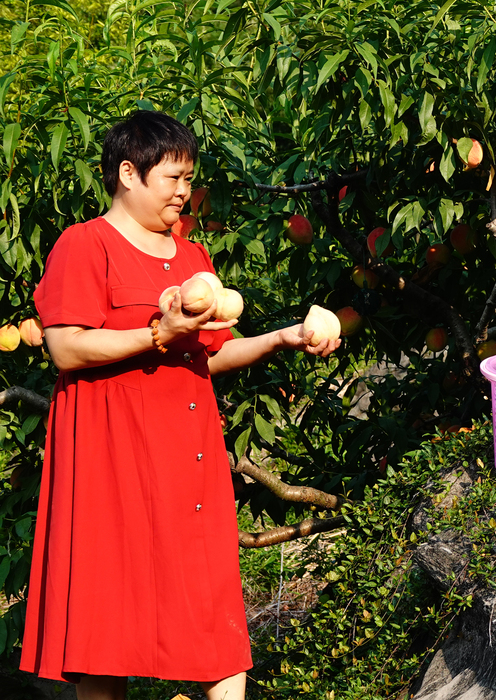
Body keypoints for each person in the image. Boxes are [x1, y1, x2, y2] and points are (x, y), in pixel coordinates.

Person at [19, 111, 340, 700]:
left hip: (188, 457)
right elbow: (66, 347)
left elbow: (209, 356)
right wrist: (157, 333)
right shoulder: (85, 244)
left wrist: (282, 337)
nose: (183, 191)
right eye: (172, 177)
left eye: (189, 178)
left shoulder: (193, 258)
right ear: (128, 174)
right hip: (111, 458)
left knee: (211, 609)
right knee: (105, 629)